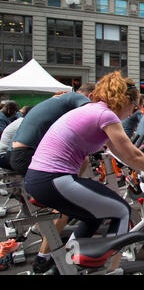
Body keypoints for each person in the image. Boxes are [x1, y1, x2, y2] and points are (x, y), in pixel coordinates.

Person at [24, 71, 144, 273]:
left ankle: (62, 266)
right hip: (54, 178)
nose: (132, 112)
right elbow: (133, 156)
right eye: (134, 106)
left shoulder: (95, 110)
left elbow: (119, 150)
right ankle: (111, 269)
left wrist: (141, 167)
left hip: (41, 178)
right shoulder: (106, 114)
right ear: (125, 100)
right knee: (121, 210)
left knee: (93, 217)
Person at [9, 83, 95, 274]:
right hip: (26, 155)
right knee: (66, 203)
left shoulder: (57, 101)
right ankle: (45, 258)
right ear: (90, 95)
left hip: (18, 154)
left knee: (61, 198)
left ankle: (47, 252)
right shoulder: (74, 99)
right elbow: (90, 114)